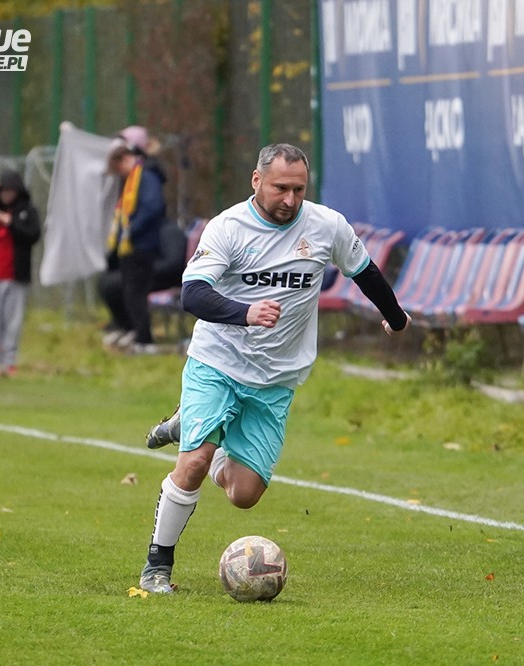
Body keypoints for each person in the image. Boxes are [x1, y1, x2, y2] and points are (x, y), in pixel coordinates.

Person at [136, 143, 410, 594]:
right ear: (257, 180)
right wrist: (245, 312)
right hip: (218, 361)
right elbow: (193, 294)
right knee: (194, 462)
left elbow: (364, 271)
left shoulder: (327, 225)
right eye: (281, 188)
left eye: (299, 189)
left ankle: (192, 426)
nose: (290, 199)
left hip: (276, 378)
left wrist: (395, 317)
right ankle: (157, 566)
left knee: (244, 494)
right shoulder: (227, 227)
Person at [0, 170, 42, 381]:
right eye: (3, 192)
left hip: (15, 275)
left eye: (10, 191)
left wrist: (11, 223)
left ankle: (9, 362)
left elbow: (33, 235)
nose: (6, 195)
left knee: (12, 322)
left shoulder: (27, 211)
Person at [105, 127, 167, 354]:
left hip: (142, 246)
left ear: (126, 158)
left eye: (119, 165)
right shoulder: (133, 179)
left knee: (136, 293)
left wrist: (131, 230)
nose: (119, 172)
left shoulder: (146, 176)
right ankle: (137, 334)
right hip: (131, 246)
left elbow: (153, 207)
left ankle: (144, 340)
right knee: (129, 292)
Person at [98, 218, 186, 343]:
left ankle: (141, 336)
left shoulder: (169, 231)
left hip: (166, 279)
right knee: (109, 281)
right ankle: (125, 327)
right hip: (148, 276)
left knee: (122, 285)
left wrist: (142, 270)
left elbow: (174, 264)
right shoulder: (147, 232)